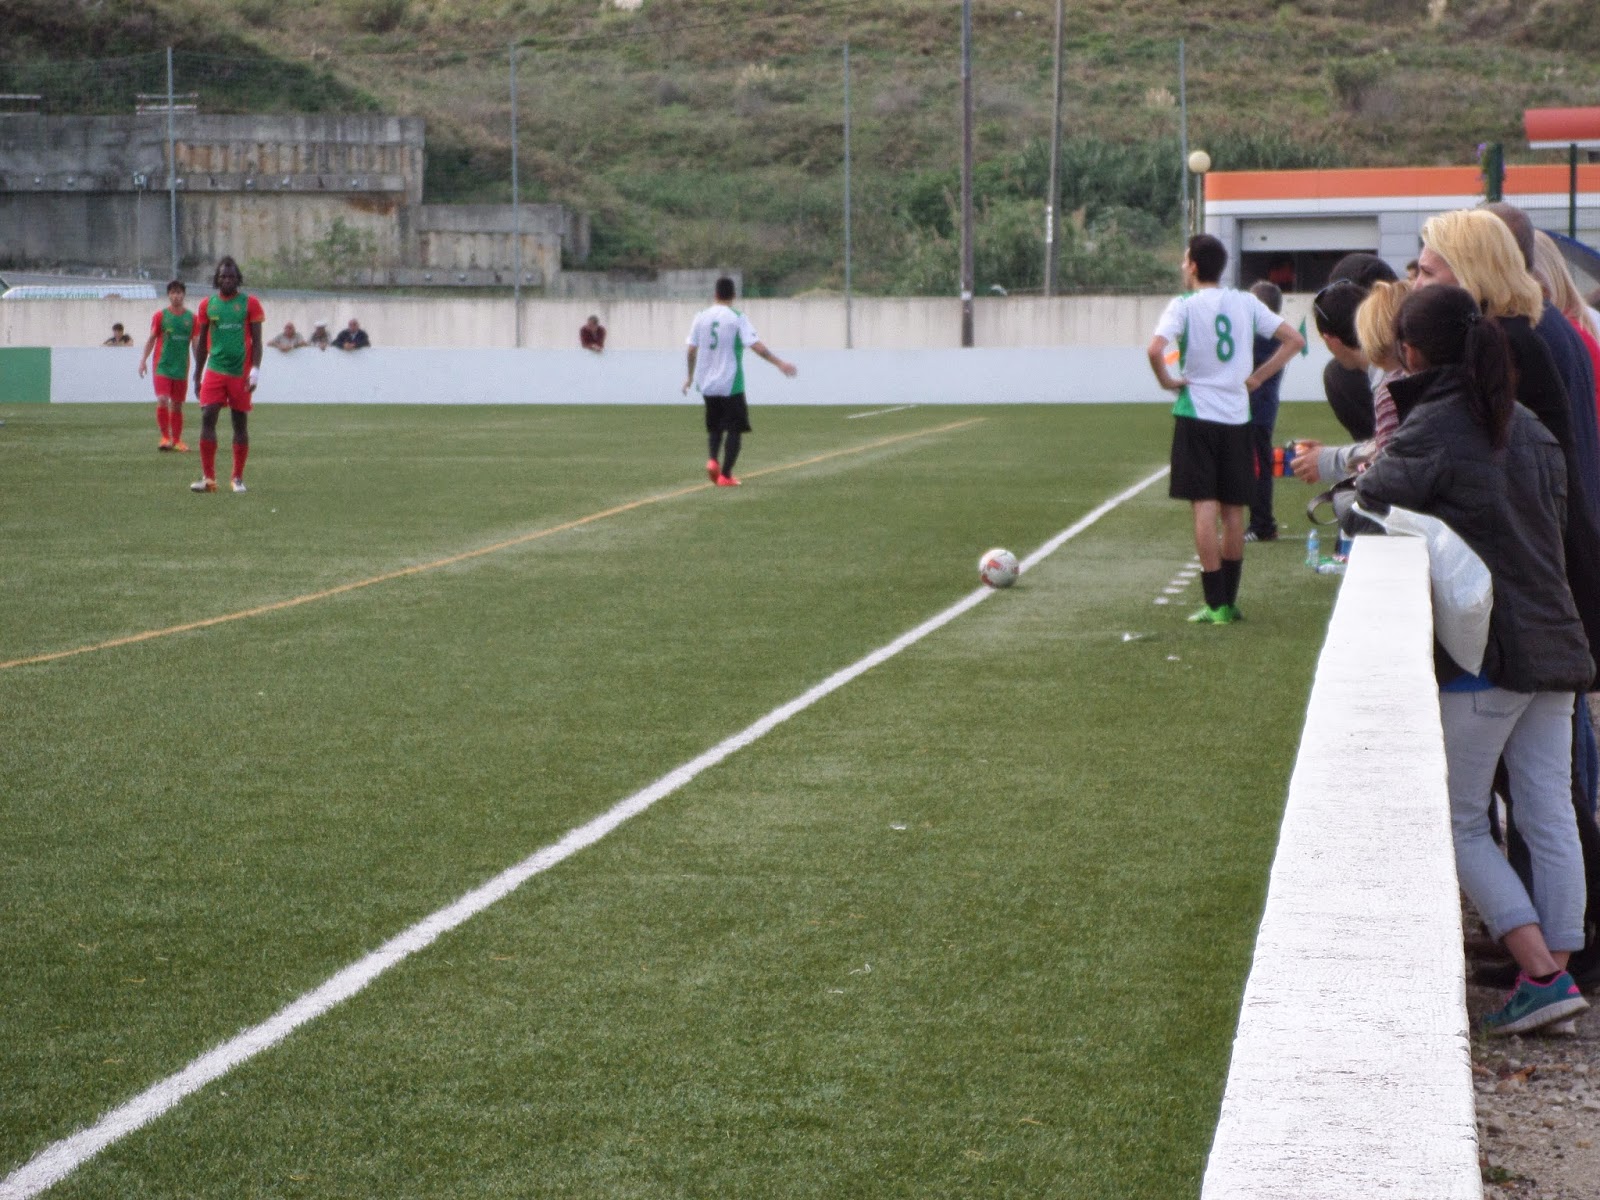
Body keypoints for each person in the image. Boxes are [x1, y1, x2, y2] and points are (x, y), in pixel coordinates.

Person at [1356, 284, 1593, 1034]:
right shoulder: (1529, 425)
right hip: (1557, 641)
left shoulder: (1434, 423)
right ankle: (1554, 976)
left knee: (1459, 820)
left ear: (1409, 353)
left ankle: (1542, 974)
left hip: (1488, 654)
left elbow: (1369, 500)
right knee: (1549, 811)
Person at [1419, 207, 1600, 992]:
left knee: (1529, 801)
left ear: (1467, 271)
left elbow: (1470, 465)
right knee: (1548, 796)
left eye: (1429, 268)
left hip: (1534, 598)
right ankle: (1555, 960)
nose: (1418, 280)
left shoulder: (1511, 344)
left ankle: (1554, 962)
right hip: (1556, 586)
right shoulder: (1536, 331)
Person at [1146, 234, 1304, 625]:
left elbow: (1154, 349)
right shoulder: (1246, 302)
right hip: (1237, 416)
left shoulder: (1183, 304)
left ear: (1193, 265)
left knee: (1204, 505)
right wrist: (1258, 377)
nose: (1183, 266)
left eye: (1185, 260)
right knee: (1233, 510)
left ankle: (1214, 603)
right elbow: (1294, 340)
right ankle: (1229, 603)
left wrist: (1167, 381)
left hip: (1197, 415)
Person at [682, 277, 797, 487]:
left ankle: (712, 460)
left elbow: (691, 350)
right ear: (734, 295)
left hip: (706, 384)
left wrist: (689, 377)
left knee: (715, 427)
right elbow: (756, 346)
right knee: (735, 428)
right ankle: (725, 475)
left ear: (715, 294)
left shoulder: (700, 317)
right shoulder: (736, 318)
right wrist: (779, 363)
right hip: (730, 383)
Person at [189, 256, 263, 495]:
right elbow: (202, 344)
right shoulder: (207, 305)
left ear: (237, 278)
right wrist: (197, 375)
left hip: (240, 373)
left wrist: (255, 371)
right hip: (215, 369)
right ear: (217, 279)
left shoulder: (250, 304)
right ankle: (208, 478)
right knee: (208, 416)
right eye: (223, 276)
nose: (227, 280)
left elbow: (257, 341)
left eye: (231, 276)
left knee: (239, 423)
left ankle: (237, 477)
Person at [1244, 281, 1288, 542]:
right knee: (1255, 466)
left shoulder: (1264, 336)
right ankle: (1260, 523)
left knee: (1258, 469)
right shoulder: (1271, 335)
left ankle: (1262, 525)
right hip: (1259, 410)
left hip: (1256, 411)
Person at [136, 280, 195, 452]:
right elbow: (152, 339)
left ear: (184, 295)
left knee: (177, 404)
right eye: (173, 292)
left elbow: (196, 343)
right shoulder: (160, 316)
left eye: (179, 292)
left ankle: (177, 441)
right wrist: (143, 360)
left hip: (181, 367)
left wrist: (200, 366)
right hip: (162, 365)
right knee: (162, 398)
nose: (176, 296)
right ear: (169, 295)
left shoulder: (192, 318)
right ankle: (164, 438)